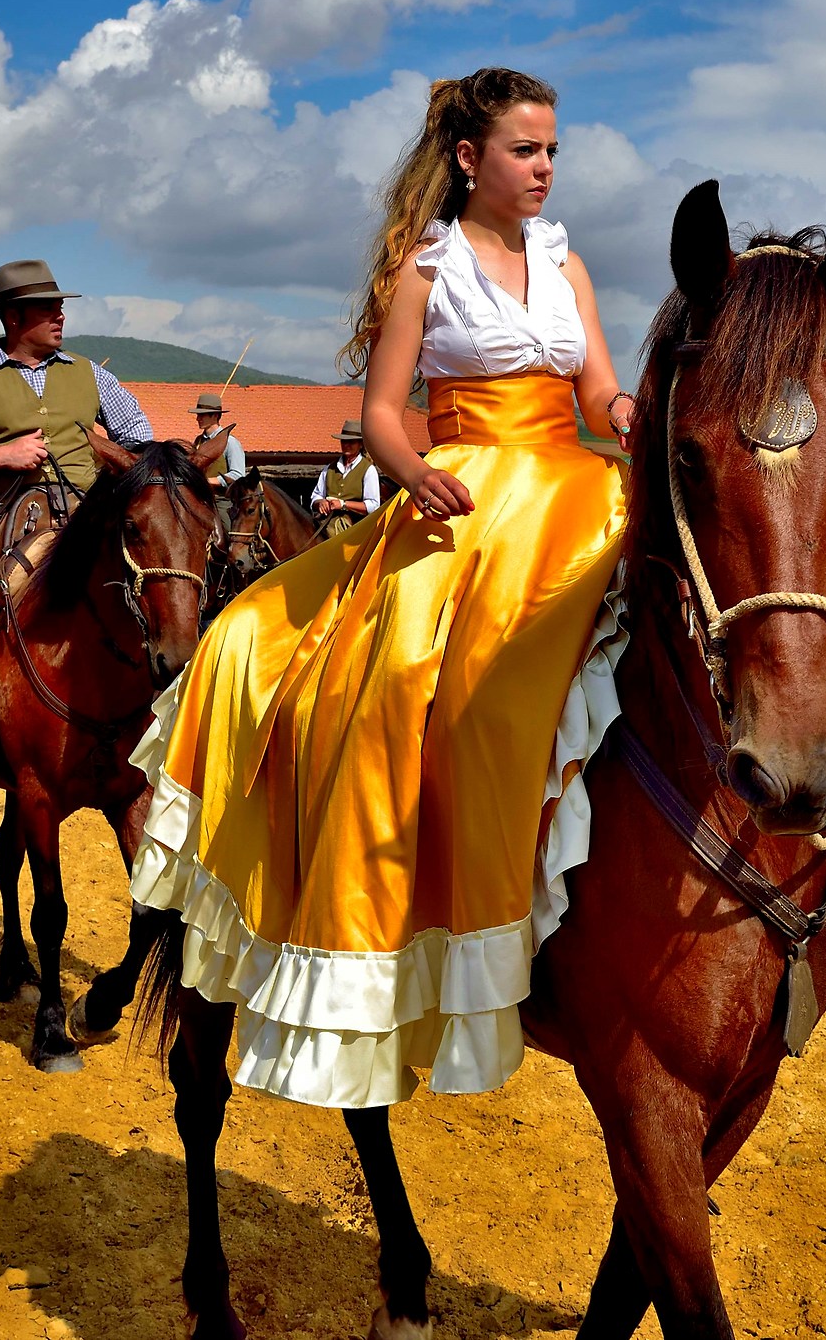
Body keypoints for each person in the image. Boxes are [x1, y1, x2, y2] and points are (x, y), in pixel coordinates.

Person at [125, 67, 633, 1108]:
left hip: (577, 487)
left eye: (551, 152)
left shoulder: (565, 260)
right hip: (460, 491)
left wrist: (635, 417)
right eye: (523, 151)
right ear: (468, 159)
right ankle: (441, 908)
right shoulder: (424, 269)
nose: (542, 169)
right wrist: (409, 471)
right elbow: (387, 410)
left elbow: (596, 392)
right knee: (383, 680)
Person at [0, 259, 156, 775]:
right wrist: (2, 455)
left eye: (60, 306)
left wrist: (126, 463)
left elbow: (137, 432)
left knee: (153, 576)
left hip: (85, 515)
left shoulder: (93, 374)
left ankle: (161, 699)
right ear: (13, 316)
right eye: (48, 307)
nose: (60, 314)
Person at [309, 419, 382, 535]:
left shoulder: (368, 470)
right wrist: (320, 502)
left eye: (351, 442)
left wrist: (343, 504)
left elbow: (373, 505)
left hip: (354, 526)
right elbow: (316, 495)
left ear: (360, 444)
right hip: (323, 522)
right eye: (343, 442)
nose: (346, 445)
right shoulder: (329, 468)